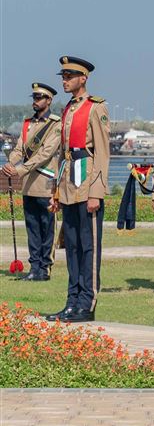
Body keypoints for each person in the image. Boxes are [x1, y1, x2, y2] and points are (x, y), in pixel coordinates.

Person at [45, 57, 109, 323]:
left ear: (83, 78)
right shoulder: (68, 109)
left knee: (88, 247)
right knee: (71, 247)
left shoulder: (96, 108)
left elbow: (103, 152)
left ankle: (87, 302)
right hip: (69, 183)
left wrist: (96, 191)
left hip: (86, 183)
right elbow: (62, 154)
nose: (65, 80)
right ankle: (72, 301)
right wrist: (56, 191)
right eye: (64, 75)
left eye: (70, 75)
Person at [3, 83, 62, 282]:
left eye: (39, 98)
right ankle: (34, 267)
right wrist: (9, 163)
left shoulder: (55, 124)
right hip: (28, 184)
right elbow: (20, 148)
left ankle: (45, 268)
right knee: (32, 228)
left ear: (49, 100)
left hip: (45, 181)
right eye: (34, 98)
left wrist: (18, 170)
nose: (35, 102)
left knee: (47, 228)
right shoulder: (27, 123)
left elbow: (46, 154)